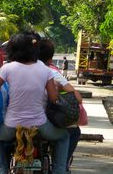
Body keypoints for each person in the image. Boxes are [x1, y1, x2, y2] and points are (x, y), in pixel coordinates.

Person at [0, 32, 70, 174]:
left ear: (13, 50)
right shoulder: (45, 70)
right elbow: (53, 98)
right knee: (64, 136)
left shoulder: (7, 68)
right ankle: (59, 171)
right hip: (40, 125)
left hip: (11, 125)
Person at [39, 39, 82, 172]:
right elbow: (77, 98)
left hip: (14, 123)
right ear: (50, 59)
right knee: (71, 133)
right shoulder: (50, 73)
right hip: (41, 123)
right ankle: (61, 167)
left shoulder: (9, 70)